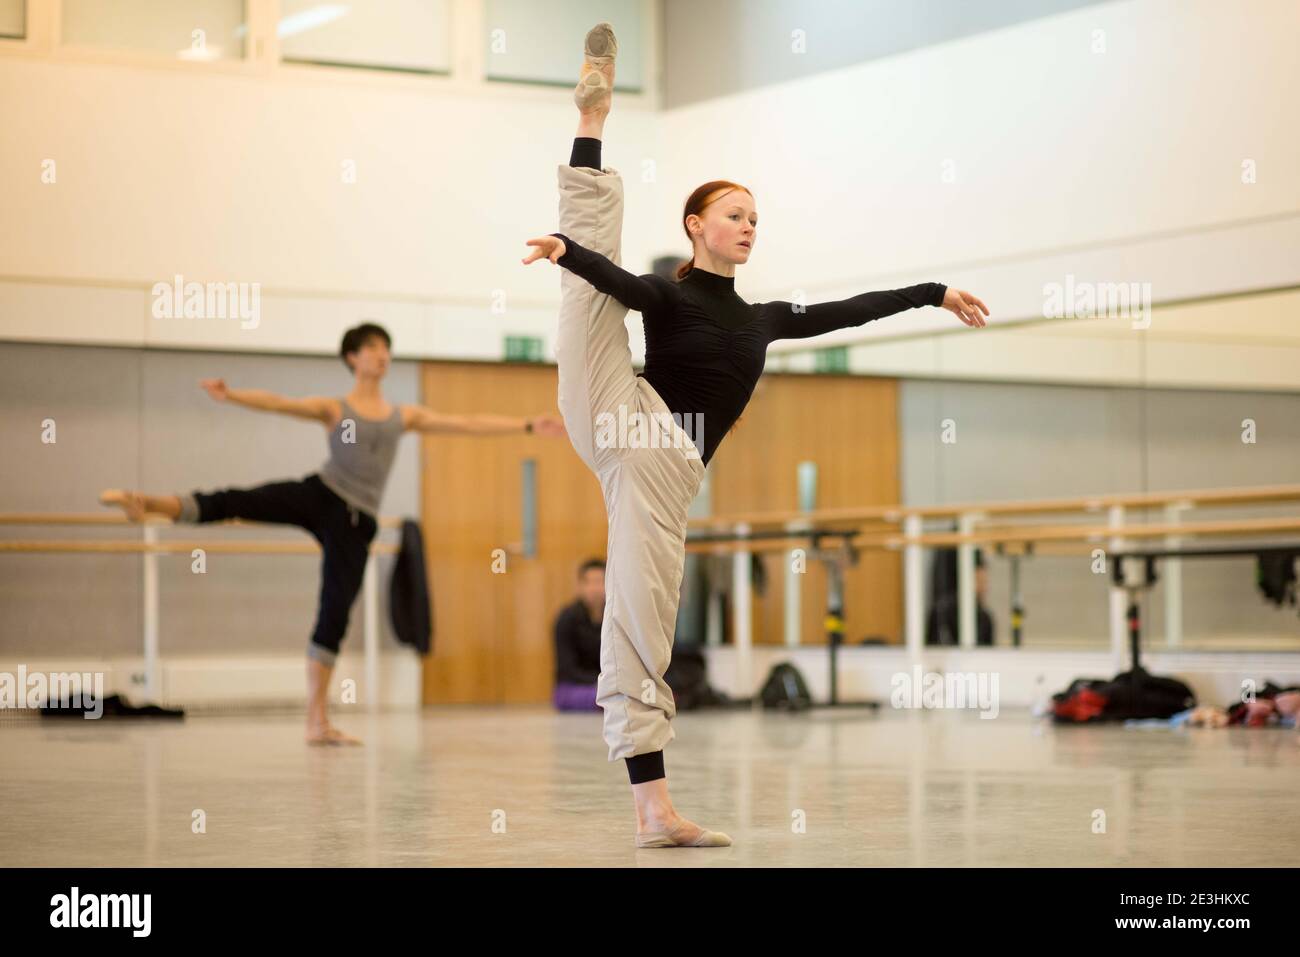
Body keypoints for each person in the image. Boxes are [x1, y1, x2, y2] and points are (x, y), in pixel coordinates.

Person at [521, 23, 989, 848]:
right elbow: (620, 279)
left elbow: (850, 309)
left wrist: (932, 290)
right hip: (621, 412)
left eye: (755, 219)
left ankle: (652, 808)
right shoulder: (669, 298)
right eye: (734, 214)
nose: (748, 226)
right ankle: (590, 124)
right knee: (588, 289)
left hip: (663, 469)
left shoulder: (764, 318)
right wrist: (567, 252)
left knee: (639, 621)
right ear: (697, 225)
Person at [100, 322, 564, 745]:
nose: (381, 355)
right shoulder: (334, 408)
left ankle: (316, 721)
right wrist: (232, 395)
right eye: (371, 349)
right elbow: (282, 404)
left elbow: (464, 424)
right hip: (321, 494)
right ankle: (150, 504)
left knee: (334, 615)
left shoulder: (403, 415)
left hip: (356, 522)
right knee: (237, 499)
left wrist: (525, 425)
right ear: (352, 358)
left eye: (385, 348)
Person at [552, 558, 606, 712]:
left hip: (607, 684)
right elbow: (567, 668)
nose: (595, 588)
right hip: (574, 686)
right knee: (601, 697)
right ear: (581, 586)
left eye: (600, 582)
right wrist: (601, 682)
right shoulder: (566, 619)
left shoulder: (616, 617)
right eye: (590, 582)